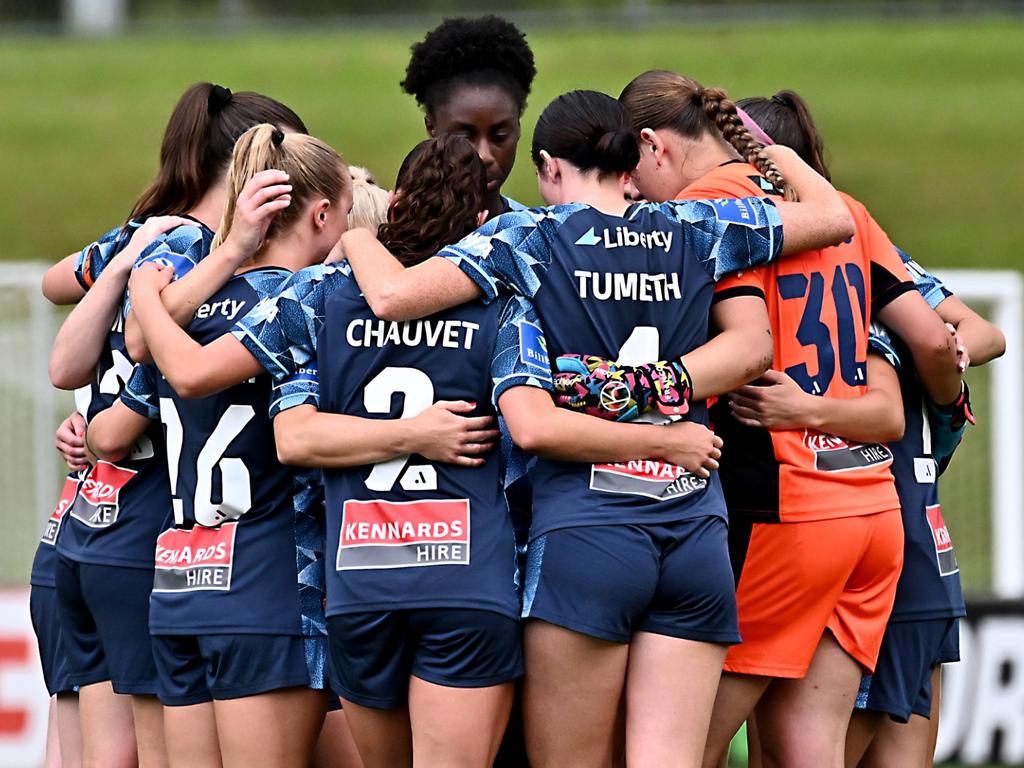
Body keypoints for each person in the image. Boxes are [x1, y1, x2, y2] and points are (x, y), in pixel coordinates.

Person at [336, 89, 855, 767]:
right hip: (694, 524)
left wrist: (353, 233)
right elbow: (832, 215)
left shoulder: (531, 237)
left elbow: (392, 297)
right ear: (633, 158)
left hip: (589, 530)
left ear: (550, 166)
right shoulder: (697, 226)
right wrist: (768, 150)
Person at [585, 70, 962, 768]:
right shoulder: (837, 205)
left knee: (680, 748)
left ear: (652, 145)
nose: (631, 190)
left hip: (785, 512)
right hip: (872, 513)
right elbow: (933, 337)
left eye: (629, 171)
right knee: (807, 747)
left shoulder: (705, 215)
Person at [736, 90, 1005, 768]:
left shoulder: (787, 260)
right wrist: (946, 370)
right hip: (916, 540)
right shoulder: (873, 255)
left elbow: (954, 350)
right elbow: (969, 338)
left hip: (838, 525)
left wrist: (938, 360)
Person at [47, 83, 307, 768]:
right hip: (161, 529)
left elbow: (64, 342)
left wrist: (124, 267)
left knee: (85, 748)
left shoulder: (148, 232)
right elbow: (144, 343)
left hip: (88, 521)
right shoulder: (209, 256)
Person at [84, 124, 350, 768]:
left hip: (179, 588)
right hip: (268, 584)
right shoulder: (309, 302)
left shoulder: (180, 316)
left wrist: (147, 298)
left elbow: (106, 436)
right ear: (320, 215)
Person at [402, 15, 536, 216]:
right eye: (464, 138)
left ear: (517, 127)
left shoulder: (540, 235)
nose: (484, 155)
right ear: (432, 129)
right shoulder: (397, 233)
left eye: (499, 136)